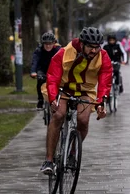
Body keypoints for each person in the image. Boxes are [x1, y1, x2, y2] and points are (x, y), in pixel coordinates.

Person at [40, 27, 112, 174]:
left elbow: (105, 81)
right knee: (59, 115)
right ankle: (49, 160)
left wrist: (101, 103)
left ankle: (72, 152)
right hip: (62, 88)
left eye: (97, 47)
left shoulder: (103, 56)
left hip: (85, 91)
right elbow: (52, 77)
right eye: (91, 47)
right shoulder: (64, 52)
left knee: (83, 120)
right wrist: (53, 98)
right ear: (82, 44)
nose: (94, 51)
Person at [30, 32, 61, 110]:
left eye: (50, 44)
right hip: (43, 70)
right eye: (46, 44)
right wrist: (33, 71)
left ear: (54, 43)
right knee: (40, 80)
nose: (48, 46)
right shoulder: (39, 51)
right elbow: (35, 61)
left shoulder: (59, 50)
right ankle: (40, 100)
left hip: (54, 70)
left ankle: (57, 99)